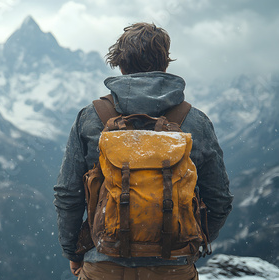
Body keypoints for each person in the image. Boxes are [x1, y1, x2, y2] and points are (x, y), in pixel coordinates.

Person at [53, 22, 233, 280]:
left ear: (121, 65)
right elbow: (219, 200)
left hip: (104, 266)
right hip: (174, 269)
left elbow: (68, 195)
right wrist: (188, 246)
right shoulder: (195, 122)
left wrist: (73, 251)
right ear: (165, 65)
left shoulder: (92, 118)